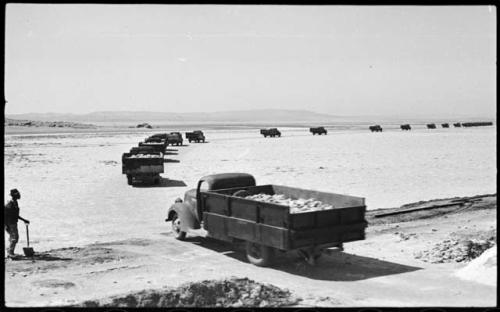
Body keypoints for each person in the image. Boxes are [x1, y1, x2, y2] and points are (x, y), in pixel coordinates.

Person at [4, 189, 30, 258]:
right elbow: (5, 214)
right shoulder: (10, 203)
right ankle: (10, 253)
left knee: (12, 238)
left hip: (13, 222)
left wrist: (24, 220)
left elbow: (15, 215)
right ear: (14, 195)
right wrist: (6, 225)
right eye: (17, 194)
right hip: (10, 223)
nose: (19, 195)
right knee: (15, 238)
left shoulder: (15, 202)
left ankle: (10, 251)